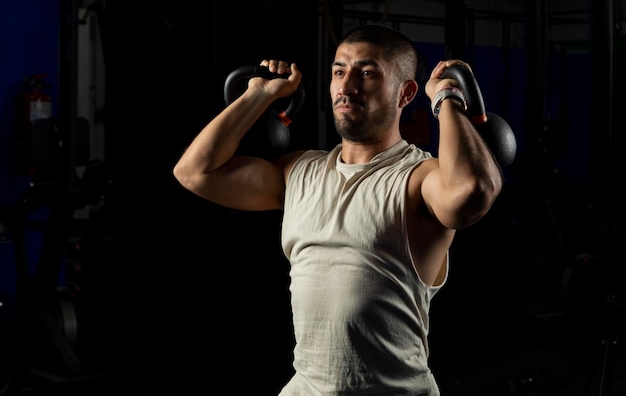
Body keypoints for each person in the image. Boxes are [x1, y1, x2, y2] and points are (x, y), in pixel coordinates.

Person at [173, 23, 503, 396]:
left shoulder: (419, 178)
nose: (346, 87)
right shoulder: (300, 171)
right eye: (338, 71)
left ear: (406, 93)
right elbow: (195, 173)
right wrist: (258, 95)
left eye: (367, 72)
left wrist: (447, 98)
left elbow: (475, 189)